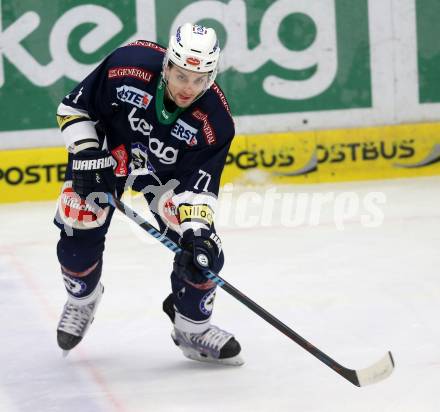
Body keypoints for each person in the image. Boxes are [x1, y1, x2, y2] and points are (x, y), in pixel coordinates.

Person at [54, 23, 243, 366]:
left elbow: (198, 187)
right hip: (107, 156)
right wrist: (84, 153)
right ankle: (82, 300)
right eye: (182, 75)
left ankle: (192, 328)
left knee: (204, 256)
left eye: (199, 79)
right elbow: (74, 109)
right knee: (78, 217)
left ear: (211, 77)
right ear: (168, 65)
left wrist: (197, 237)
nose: (189, 88)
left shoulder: (215, 121)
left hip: (166, 179)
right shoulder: (128, 65)